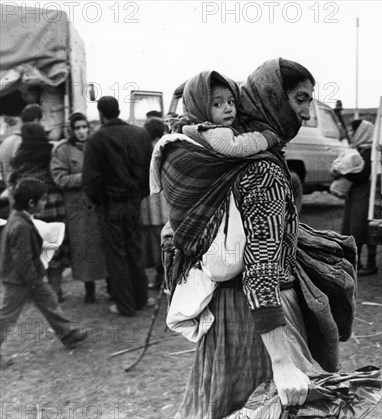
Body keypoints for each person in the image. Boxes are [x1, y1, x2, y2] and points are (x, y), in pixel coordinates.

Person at [155, 59, 321, 418]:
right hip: (258, 320)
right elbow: (261, 270)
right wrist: (282, 363)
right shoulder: (262, 168)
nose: (307, 113)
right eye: (300, 100)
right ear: (274, 99)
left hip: (226, 313)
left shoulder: (226, 154)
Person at [0, 180, 88, 370]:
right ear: (32, 203)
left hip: (26, 276)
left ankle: (67, 333)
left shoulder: (18, 217)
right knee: (7, 317)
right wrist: (34, 281)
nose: (45, 203)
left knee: (49, 300)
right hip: (19, 280)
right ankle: (67, 332)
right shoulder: (20, 225)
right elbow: (22, 259)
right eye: (42, 200)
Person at [82, 96, 153, 317]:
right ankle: (141, 299)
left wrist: (99, 201)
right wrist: (140, 195)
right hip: (134, 202)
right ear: (119, 110)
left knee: (116, 255)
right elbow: (152, 170)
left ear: (101, 114)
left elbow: (90, 179)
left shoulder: (96, 140)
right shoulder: (141, 134)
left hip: (110, 204)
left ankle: (125, 305)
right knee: (134, 250)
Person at [50, 113, 108, 303]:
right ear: (71, 130)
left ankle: (111, 286)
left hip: (99, 206)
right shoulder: (63, 150)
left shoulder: (97, 145)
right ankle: (89, 289)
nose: (82, 131)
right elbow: (59, 178)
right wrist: (85, 177)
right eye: (78, 128)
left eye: (84, 127)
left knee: (105, 248)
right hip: (79, 208)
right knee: (83, 250)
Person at [9, 122, 70, 301]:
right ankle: (56, 291)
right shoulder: (51, 152)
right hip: (52, 203)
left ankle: (34, 291)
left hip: (30, 208)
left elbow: (14, 182)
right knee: (53, 247)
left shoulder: (19, 158)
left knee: (32, 249)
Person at [338, 119, 378, 276]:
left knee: (362, 228)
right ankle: (356, 262)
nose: (350, 134)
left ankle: (370, 263)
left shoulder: (369, 151)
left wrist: (344, 173)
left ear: (362, 131)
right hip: (356, 193)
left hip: (365, 193)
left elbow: (362, 175)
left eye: (353, 131)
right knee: (351, 228)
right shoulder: (357, 150)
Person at [141, 118, 169, 290]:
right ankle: (164, 277)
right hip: (165, 201)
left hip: (151, 201)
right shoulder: (167, 146)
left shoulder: (147, 148)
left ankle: (161, 276)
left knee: (154, 240)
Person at [0, 104, 43, 186]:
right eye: (41, 121)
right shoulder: (27, 143)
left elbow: (1, 169)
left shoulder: (6, 142)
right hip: (24, 191)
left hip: (9, 190)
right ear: (36, 121)